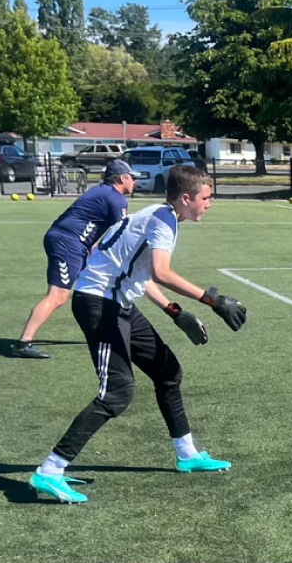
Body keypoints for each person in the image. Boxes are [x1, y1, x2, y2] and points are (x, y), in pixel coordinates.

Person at [28, 165, 248, 504]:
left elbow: (139, 273)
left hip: (119, 303)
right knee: (117, 393)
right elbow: (161, 272)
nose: (209, 203)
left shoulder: (157, 215)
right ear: (186, 198)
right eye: (206, 197)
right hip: (99, 305)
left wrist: (173, 311)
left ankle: (187, 454)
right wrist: (212, 300)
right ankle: (50, 470)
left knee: (167, 370)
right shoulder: (164, 220)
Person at [14, 160, 139, 359]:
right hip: (67, 243)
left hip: (70, 241)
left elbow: (90, 228)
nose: (134, 181)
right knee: (57, 296)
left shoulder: (103, 191)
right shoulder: (116, 199)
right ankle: (23, 343)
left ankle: (110, 329)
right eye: (132, 177)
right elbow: (121, 234)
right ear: (122, 178)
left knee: (97, 284)